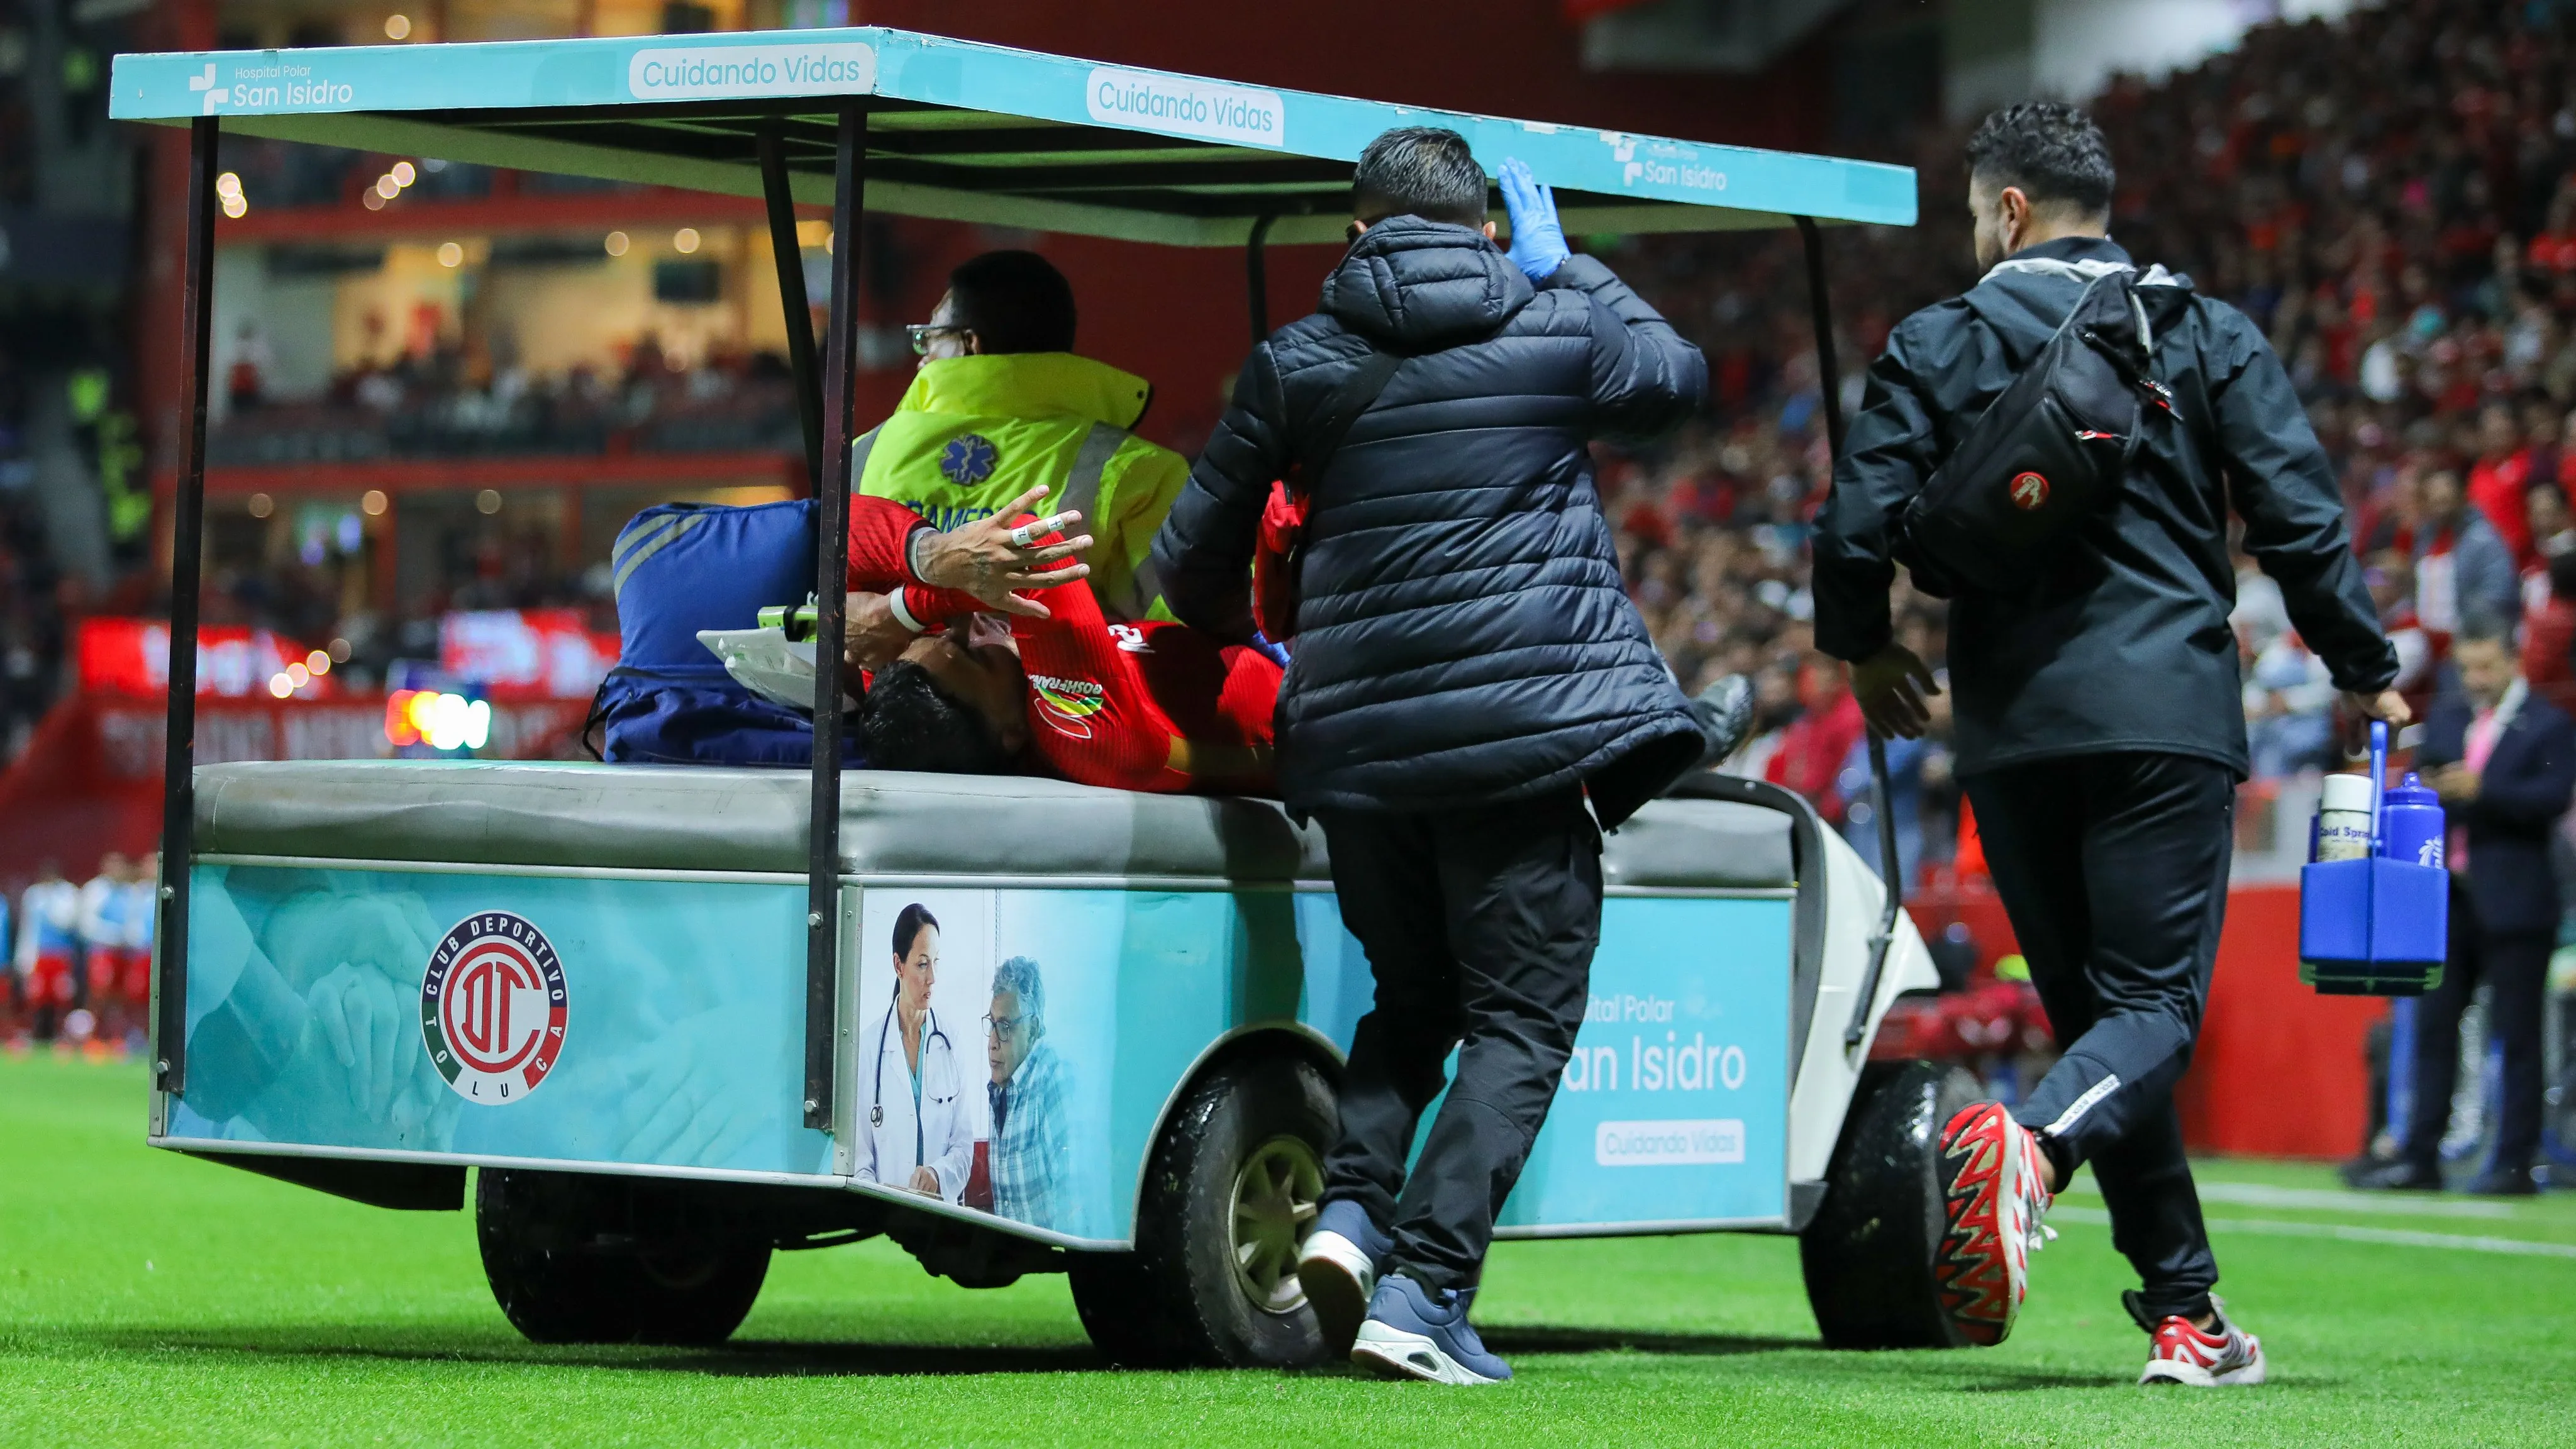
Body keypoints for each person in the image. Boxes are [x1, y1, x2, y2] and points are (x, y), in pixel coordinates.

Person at [1812, 103, 2406, 1387]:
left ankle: (2185, 1314)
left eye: (1974, 211)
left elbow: (1851, 532)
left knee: (2097, 1017)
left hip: (2012, 731)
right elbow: (2298, 519)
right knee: (2143, 1015)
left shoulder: (1937, 339)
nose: (1971, 233)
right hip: (2163, 719)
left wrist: (1864, 649)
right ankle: (2026, 1146)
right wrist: (2363, 667)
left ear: (2008, 210)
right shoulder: (2197, 331)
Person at [1149, 126, 1709, 1386]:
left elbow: (1186, 571)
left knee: (1412, 1003)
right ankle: (1427, 1289)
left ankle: (1351, 1219)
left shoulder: (1295, 360)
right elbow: (1675, 382)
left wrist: (1259, 647)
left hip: (1354, 750)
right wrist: (1571, 272)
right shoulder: (1552, 325)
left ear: (1353, 235)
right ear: (1490, 229)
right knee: (1521, 1019)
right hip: (1524, 740)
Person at [2355, 623, 2575, 1195]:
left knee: (2517, 1035)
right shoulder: (2450, 718)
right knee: (2433, 1028)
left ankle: (2513, 1161)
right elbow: (2420, 782)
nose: (2476, 680)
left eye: (2487, 667)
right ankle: (2420, 1155)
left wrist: (2482, 792)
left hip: (2518, 900)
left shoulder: (2549, 724)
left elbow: (2552, 800)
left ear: (2513, 662)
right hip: (2449, 899)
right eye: (2468, 668)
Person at [858, 250, 1190, 619]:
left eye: (930, 337)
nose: (922, 359)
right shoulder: (1140, 470)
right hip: (1051, 676)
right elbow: (1177, 623)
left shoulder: (864, 453)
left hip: (889, 676)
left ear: (972, 344)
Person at [852, 904, 975, 1203]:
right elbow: (859, 1163)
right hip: (887, 1224)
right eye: (922, 964)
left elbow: (963, 1147)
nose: (932, 977)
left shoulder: (951, 1042)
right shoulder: (868, 1049)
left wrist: (937, 1175)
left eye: (936, 962)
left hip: (942, 1223)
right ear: (898, 965)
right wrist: (885, 1202)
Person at [984, 954, 1069, 1231]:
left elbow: (1075, 1201)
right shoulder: (999, 1091)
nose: (993, 1043)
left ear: (1033, 1029)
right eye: (992, 1024)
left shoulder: (1054, 1079)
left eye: (1006, 1027)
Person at [16, 861, 82, 1045]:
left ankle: (62, 1035)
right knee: (37, 996)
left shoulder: (68, 894)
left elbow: (67, 922)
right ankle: (37, 1033)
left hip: (62, 955)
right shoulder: (33, 895)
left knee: (62, 996)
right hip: (40, 955)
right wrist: (24, 957)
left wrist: (52, 901)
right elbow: (28, 928)